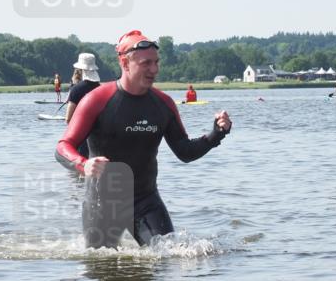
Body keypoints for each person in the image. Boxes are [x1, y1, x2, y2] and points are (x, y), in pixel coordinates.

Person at [56, 30, 232, 247]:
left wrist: (216, 134)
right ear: (124, 62)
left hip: (146, 201)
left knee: (170, 258)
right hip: (102, 204)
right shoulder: (97, 100)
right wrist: (84, 164)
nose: (154, 70)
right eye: (146, 63)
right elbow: (63, 147)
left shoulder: (163, 104)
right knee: (102, 269)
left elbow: (185, 152)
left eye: (156, 62)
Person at [64, 53, 102, 158]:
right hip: (100, 140)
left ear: (81, 70)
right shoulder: (101, 89)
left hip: (82, 140)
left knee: (82, 171)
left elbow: (68, 118)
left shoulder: (76, 90)